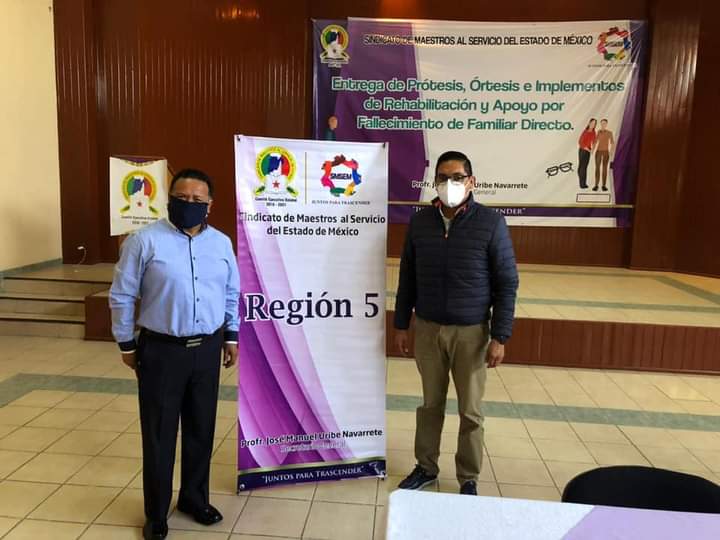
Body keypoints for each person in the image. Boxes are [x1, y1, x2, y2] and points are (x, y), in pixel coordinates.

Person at [109, 168, 240, 540]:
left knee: (201, 428)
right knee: (159, 434)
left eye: (198, 199)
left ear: (210, 205)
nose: (189, 204)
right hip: (162, 351)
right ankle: (156, 513)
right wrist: (126, 342)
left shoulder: (221, 244)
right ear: (168, 200)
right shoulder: (144, 241)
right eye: (182, 198)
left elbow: (231, 292)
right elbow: (122, 294)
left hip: (208, 348)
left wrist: (231, 336)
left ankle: (194, 499)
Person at [394, 151, 519, 496]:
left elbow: (507, 282)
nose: (450, 184)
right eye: (443, 177)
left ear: (471, 182)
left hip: (472, 333)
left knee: (471, 411)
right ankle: (426, 466)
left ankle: (468, 477)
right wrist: (402, 324)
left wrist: (500, 336)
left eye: (457, 177)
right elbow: (407, 276)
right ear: (434, 181)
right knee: (430, 405)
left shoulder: (491, 223)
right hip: (428, 329)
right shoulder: (420, 222)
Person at [593, 119, 615, 191]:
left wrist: (611, 151)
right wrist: (592, 150)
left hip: (606, 152)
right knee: (597, 168)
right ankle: (596, 185)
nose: (603, 124)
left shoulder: (609, 133)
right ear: (600, 124)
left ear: (606, 124)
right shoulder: (598, 132)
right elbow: (595, 142)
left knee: (604, 168)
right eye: (602, 123)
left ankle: (604, 185)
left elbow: (612, 143)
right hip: (598, 152)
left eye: (604, 123)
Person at [577, 118, 597, 189]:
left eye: (594, 124)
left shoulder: (593, 132)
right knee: (581, 168)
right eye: (592, 123)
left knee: (584, 167)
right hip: (582, 151)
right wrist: (588, 149)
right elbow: (580, 142)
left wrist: (593, 149)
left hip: (588, 151)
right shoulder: (585, 131)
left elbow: (594, 141)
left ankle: (584, 183)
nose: (593, 125)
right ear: (589, 123)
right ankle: (582, 184)